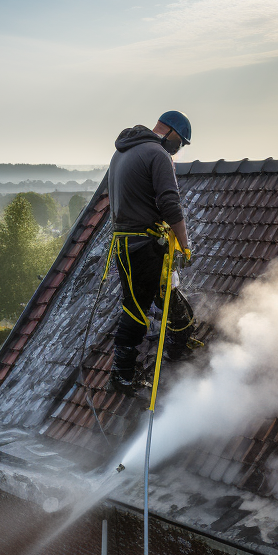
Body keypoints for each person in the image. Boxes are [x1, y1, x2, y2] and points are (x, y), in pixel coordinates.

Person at [105, 110, 197, 395]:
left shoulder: (121, 153)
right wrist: (184, 243)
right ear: (170, 133)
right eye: (179, 143)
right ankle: (123, 375)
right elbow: (170, 203)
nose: (177, 149)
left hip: (124, 243)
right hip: (142, 245)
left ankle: (180, 341)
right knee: (136, 308)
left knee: (159, 294)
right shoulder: (158, 154)